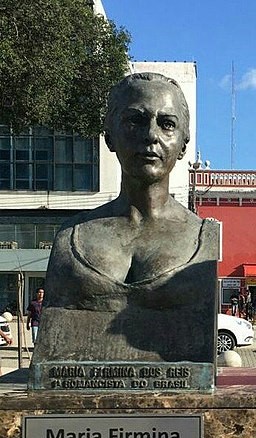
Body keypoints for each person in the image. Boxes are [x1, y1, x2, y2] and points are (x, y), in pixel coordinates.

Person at [33, 72, 218, 365]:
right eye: (135, 120)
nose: (151, 135)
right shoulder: (71, 237)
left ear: (184, 143)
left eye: (167, 124)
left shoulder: (204, 238)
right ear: (109, 136)